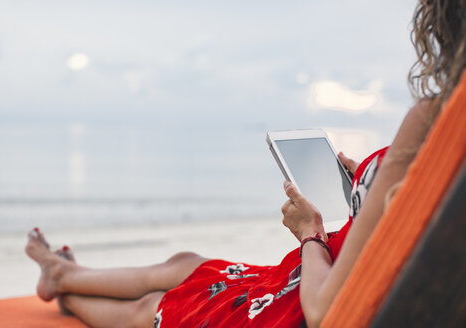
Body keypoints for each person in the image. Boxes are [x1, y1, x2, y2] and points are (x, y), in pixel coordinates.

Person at [25, 1, 466, 327]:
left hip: (303, 300)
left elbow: (325, 314)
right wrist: (362, 189)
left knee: (156, 307)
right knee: (188, 263)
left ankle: (66, 293)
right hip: (313, 276)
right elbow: (406, 215)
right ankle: (64, 273)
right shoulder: (449, 137)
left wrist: (310, 234)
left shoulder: (434, 117)